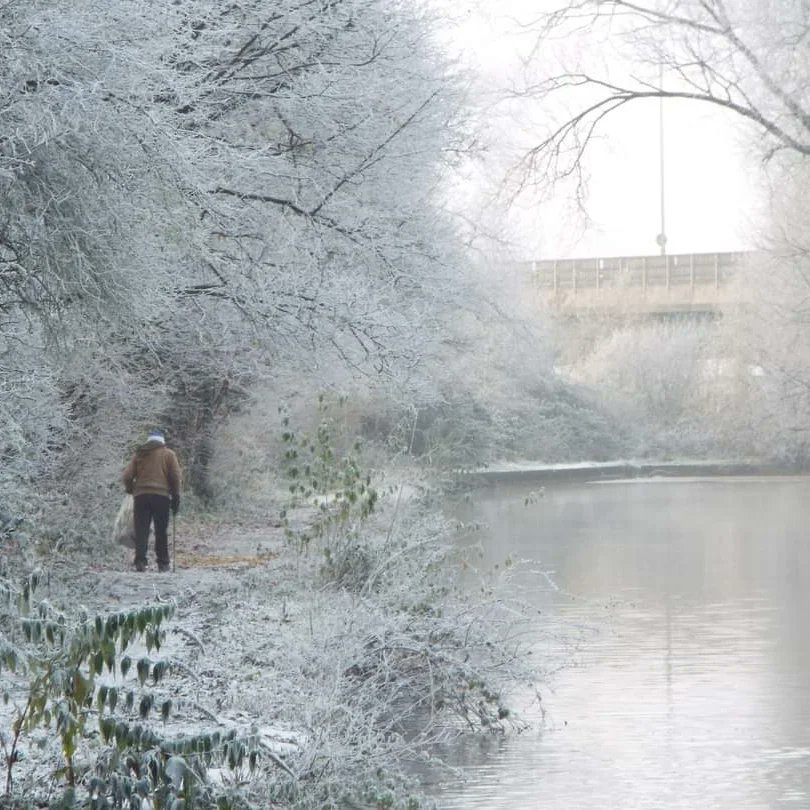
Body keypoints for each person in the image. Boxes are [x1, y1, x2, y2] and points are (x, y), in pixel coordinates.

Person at [122, 429, 182, 572]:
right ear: (162, 442)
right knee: (161, 530)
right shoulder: (169, 454)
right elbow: (175, 477)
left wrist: (131, 489)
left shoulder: (139, 454)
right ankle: (163, 563)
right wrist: (176, 496)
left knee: (141, 530)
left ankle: (140, 562)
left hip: (141, 497)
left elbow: (127, 475)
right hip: (161, 497)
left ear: (148, 441)